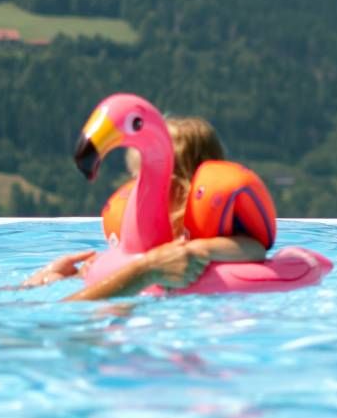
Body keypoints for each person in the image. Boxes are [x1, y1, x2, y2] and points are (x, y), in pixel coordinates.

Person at [24, 114, 270, 295]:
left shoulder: (205, 240)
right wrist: (57, 280)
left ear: (180, 186)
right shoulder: (136, 246)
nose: (136, 193)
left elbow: (254, 249)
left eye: (144, 182)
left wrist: (200, 251)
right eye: (135, 181)